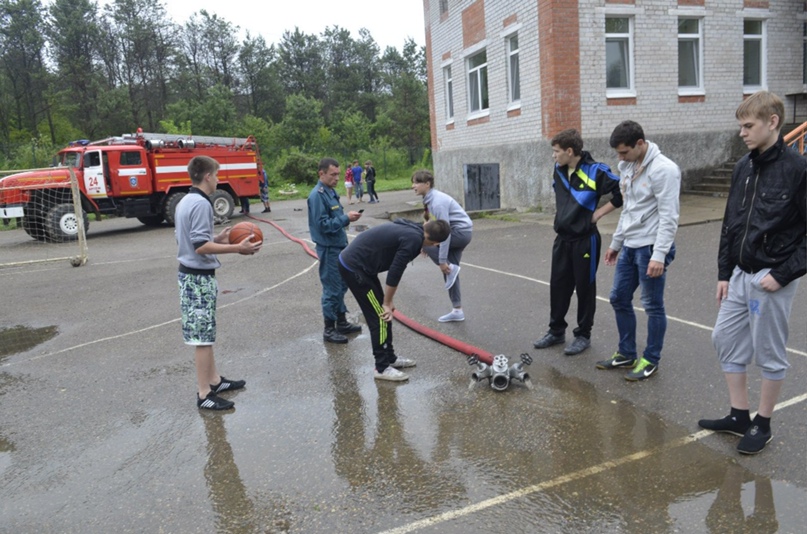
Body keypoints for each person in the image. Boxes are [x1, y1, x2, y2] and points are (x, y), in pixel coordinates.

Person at [698, 91, 806, 455]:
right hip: (741, 276)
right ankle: (739, 415)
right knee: (724, 338)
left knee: (769, 352)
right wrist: (724, 273)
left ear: (772, 122)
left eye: (748, 126)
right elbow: (731, 222)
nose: (742, 133)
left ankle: (763, 422)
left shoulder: (798, 169)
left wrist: (783, 273)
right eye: (740, 126)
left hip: (771, 278)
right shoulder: (744, 166)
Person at [175, 155, 262, 410]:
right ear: (208, 177)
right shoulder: (201, 204)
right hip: (196, 278)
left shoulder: (185, 200)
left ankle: (214, 380)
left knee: (207, 333)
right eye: (217, 174)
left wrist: (221, 238)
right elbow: (200, 246)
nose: (218, 179)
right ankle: (204, 394)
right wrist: (237, 248)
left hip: (192, 275)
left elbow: (191, 239)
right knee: (202, 338)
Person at [596, 120, 680, 381]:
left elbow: (669, 216)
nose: (620, 158)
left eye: (624, 152)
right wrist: (616, 243)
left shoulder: (664, 170)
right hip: (631, 246)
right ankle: (626, 353)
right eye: (618, 153)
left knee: (652, 306)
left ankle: (650, 359)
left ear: (640, 144)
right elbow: (630, 209)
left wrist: (659, 255)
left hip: (651, 247)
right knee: (619, 298)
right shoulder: (629, 167)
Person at [533, 129, 623, 355]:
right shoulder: (558, 169)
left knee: (585, 288)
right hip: (562, 239)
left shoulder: (596, 171)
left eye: (556, 152)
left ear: (570, 151)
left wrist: (599, 213)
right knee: (559, 286)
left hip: (586, 240)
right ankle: (556, 332)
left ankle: (583, 335)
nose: (553, 156)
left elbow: (622, 192)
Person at [338, 218, 451, 381]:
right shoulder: (413, 240)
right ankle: (382, 368)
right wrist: (387, 302)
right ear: (435, 243)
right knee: (380, 316)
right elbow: (395, 273)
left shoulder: (415, 227)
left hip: (363, 267)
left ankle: (390, 358)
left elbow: (402, 226)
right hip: (355, 269)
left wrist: (387, 303)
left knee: (385, 313)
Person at [308, 158, 364, 344]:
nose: (337, 178)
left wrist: (347, 218)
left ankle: (341, 322)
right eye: (333, 175)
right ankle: (329, 329)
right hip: (329, 249)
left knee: (342, 285)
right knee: (332, 289)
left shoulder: (330, 192)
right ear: (321, 174)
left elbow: (334, 219)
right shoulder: (317, 195)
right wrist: (345, 218)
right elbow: (323, 225)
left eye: (338, 174)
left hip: (339, 247)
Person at [411, 170, 473, 322]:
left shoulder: (438, 202)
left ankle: (450, 267)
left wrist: (441, 260)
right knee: (450, 273)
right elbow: (428, 221)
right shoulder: (428, 199)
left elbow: (445, 234)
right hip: (458, 232)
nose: (413, 186)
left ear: (427, 184)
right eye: (413, 183)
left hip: (460, 233)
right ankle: (457, 310)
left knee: (445, 265)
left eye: (417, 183)